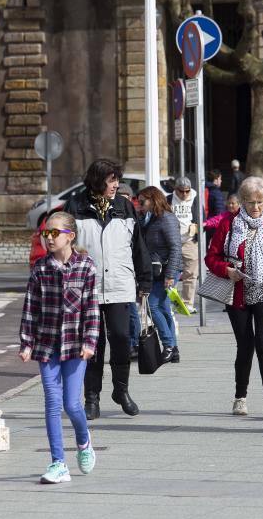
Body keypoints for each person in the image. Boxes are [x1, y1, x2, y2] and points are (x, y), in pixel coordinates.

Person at [65, 159, 152, 420]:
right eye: (111, 180)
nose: (116, 185)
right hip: (86, 288)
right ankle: (92, 399)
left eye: (117, 180)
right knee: (94, 345)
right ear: (97, 180)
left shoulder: (124, 206)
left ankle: (121, 391)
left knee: (122, 339)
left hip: (119, 285)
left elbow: (138, 247)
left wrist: (145, 281)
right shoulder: (76, 206)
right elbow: (62, 245)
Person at [19, 211, 98, 484]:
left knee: (72, 404)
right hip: (46, 345)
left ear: (70, 236)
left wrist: (90, 342)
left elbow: (92, 310)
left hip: (76, 347)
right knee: (52, 403)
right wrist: (26, 343)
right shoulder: (40, 269)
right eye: (45, 233)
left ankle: (84, 439)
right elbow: (31, 309)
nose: (48, 238)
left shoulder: (86, 267)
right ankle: (58, 463)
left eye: (54, 233)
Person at [206, 176, 263, 419]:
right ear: (241, 201)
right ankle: (240, 397)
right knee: (245, 345)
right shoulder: (229, 223)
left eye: (260, 202)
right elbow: (211, 257)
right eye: (250, 202)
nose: (256, 207)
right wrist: (226, 270)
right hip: (237, 293)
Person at [137, 186, 182, 363]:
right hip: (156, 270)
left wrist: (170, 275)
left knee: (152, 306)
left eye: (142, 202)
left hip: (168, 270)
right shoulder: (150, 219)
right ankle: (174, 350)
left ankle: (168, 345)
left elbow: (176, 248)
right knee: (163, 308)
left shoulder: (167, 219)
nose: (140, 206)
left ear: (153, 199)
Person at [167, 177, 200, 314]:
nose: (185, 194)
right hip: (172, 241)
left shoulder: (195, 198)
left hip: (189, 240)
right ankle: (168, 302)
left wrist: (197, 230)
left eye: (187, 191)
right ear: (176, 190)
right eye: (182, 191)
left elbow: (201, 216)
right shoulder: (168, 199)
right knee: (170, 273)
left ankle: (187, 303)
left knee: (191, 273)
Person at [117, 182, 141, 358]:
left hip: (130, 270)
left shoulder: (134, 217)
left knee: (131, 309)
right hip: (117, 270)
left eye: (125, 197)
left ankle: (135, 343)